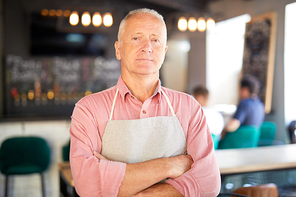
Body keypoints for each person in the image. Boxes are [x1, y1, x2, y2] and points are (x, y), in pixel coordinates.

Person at [69, 8, 220, 197]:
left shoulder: (189, 108)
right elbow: (87, 185)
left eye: (155, 40)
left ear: (164, 52)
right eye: (136, 38)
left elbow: (209, 184)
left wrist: (139, 193)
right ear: (118, 49)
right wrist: (170, 165)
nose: (147, 46)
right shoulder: (88, 109)